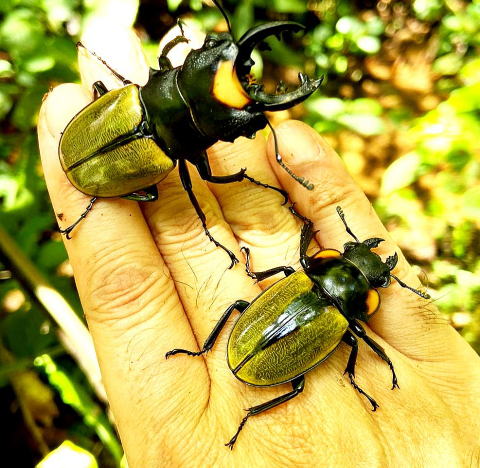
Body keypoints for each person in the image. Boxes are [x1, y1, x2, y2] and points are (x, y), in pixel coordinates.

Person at [37, 26, 480, 467]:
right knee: (300, 375)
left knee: (269, 344)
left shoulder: (305, 279)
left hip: (126, 136)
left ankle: (238, 398)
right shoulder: (337, 316)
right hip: (129, 148)